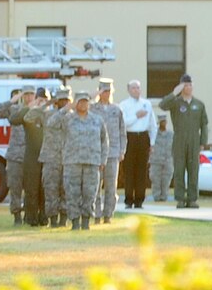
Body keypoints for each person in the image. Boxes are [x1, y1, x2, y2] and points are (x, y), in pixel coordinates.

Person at [159, 74, 209, 209]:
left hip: (194, 140)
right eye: (186, 85)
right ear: (181, 86)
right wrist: (174, 93)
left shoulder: (199, 104)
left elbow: (204, 124)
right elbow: (162, 105)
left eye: (190, 85)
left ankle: (192, 199)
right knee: (179, 170)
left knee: (193, 170)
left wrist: (202, 142)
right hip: (179, 139)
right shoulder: (175, 102)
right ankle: (180, 199)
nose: (189, 87)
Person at [62, 92, 108, 231]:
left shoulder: (97, 120)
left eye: (85, 101)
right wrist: (65, 109)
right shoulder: (67, 119)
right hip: (72, 162)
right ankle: (75, 222)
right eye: (80, 102)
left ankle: (86, 221)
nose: (83, 104)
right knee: (72, 193)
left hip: (92, 162)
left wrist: (103, 159)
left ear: (89, 103)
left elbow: (104, 141)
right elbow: (53, 125)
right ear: (75, 103)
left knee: (90, 193)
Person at [118, 80, 157, 209]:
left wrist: (152, 142)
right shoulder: (124, 105)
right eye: (133, 88)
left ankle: (140, 200)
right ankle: (129, 199)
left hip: (143, 137)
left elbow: (152, 124)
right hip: (130, 137)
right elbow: (124, 123)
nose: (136, 90)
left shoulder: (146, 104)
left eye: (138, 88)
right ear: (128, 90)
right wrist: (136, 116)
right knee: (129, 169)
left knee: (142, 169)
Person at [90, 79, 125, 224]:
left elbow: (122, 131)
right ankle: (96, 214)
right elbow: (82, 102)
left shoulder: (116, 110)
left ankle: (108, 214)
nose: (106, 94)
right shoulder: (92, 108)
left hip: (113, 152)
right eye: (104, 91)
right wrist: (94, 95)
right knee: (96, 186)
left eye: (108, 91)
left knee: (111, 186)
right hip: (96, 152)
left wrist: (122, 150)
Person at [0, 88, 28, 225]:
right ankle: (17, 216)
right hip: (15, 155)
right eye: (26, 95)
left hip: (32, 155)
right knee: (15, 187)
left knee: (32, 189)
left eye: (31, 94)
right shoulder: (14, 110)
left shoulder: (38, 110)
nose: (29, 97)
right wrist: (11, 101)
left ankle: (30, 216)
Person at [19, 89, 49, 227]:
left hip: (48, 157)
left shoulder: (51, 115)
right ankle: (31, 218)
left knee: (46, 189)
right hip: (32, 157)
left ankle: (44, 217)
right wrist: (32, 106)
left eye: (45, 99)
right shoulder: (31, 114)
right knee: (31, 189)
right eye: (40, 99)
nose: (42, 101)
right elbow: (16, 119)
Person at [41, 92, 71, 227]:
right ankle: (52, 220)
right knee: (50, 190)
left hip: (68, 158)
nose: (64, 103)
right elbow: (29, 117)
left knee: (66, 190)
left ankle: (64, 220)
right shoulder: (48, 114)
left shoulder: (74, 116)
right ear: (56, 102)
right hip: (51, 158)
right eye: (61, 100)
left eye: (67, 100)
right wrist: (44, 104)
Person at [150, 114, 174, 203]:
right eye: (161, 122)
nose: (163, 123)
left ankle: (164, 197)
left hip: (168, 160)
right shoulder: (154, 134)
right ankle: (156, 197)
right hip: (156, 160)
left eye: (164, 122)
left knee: (166, 180)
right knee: (156, 180)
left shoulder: (171, 134)